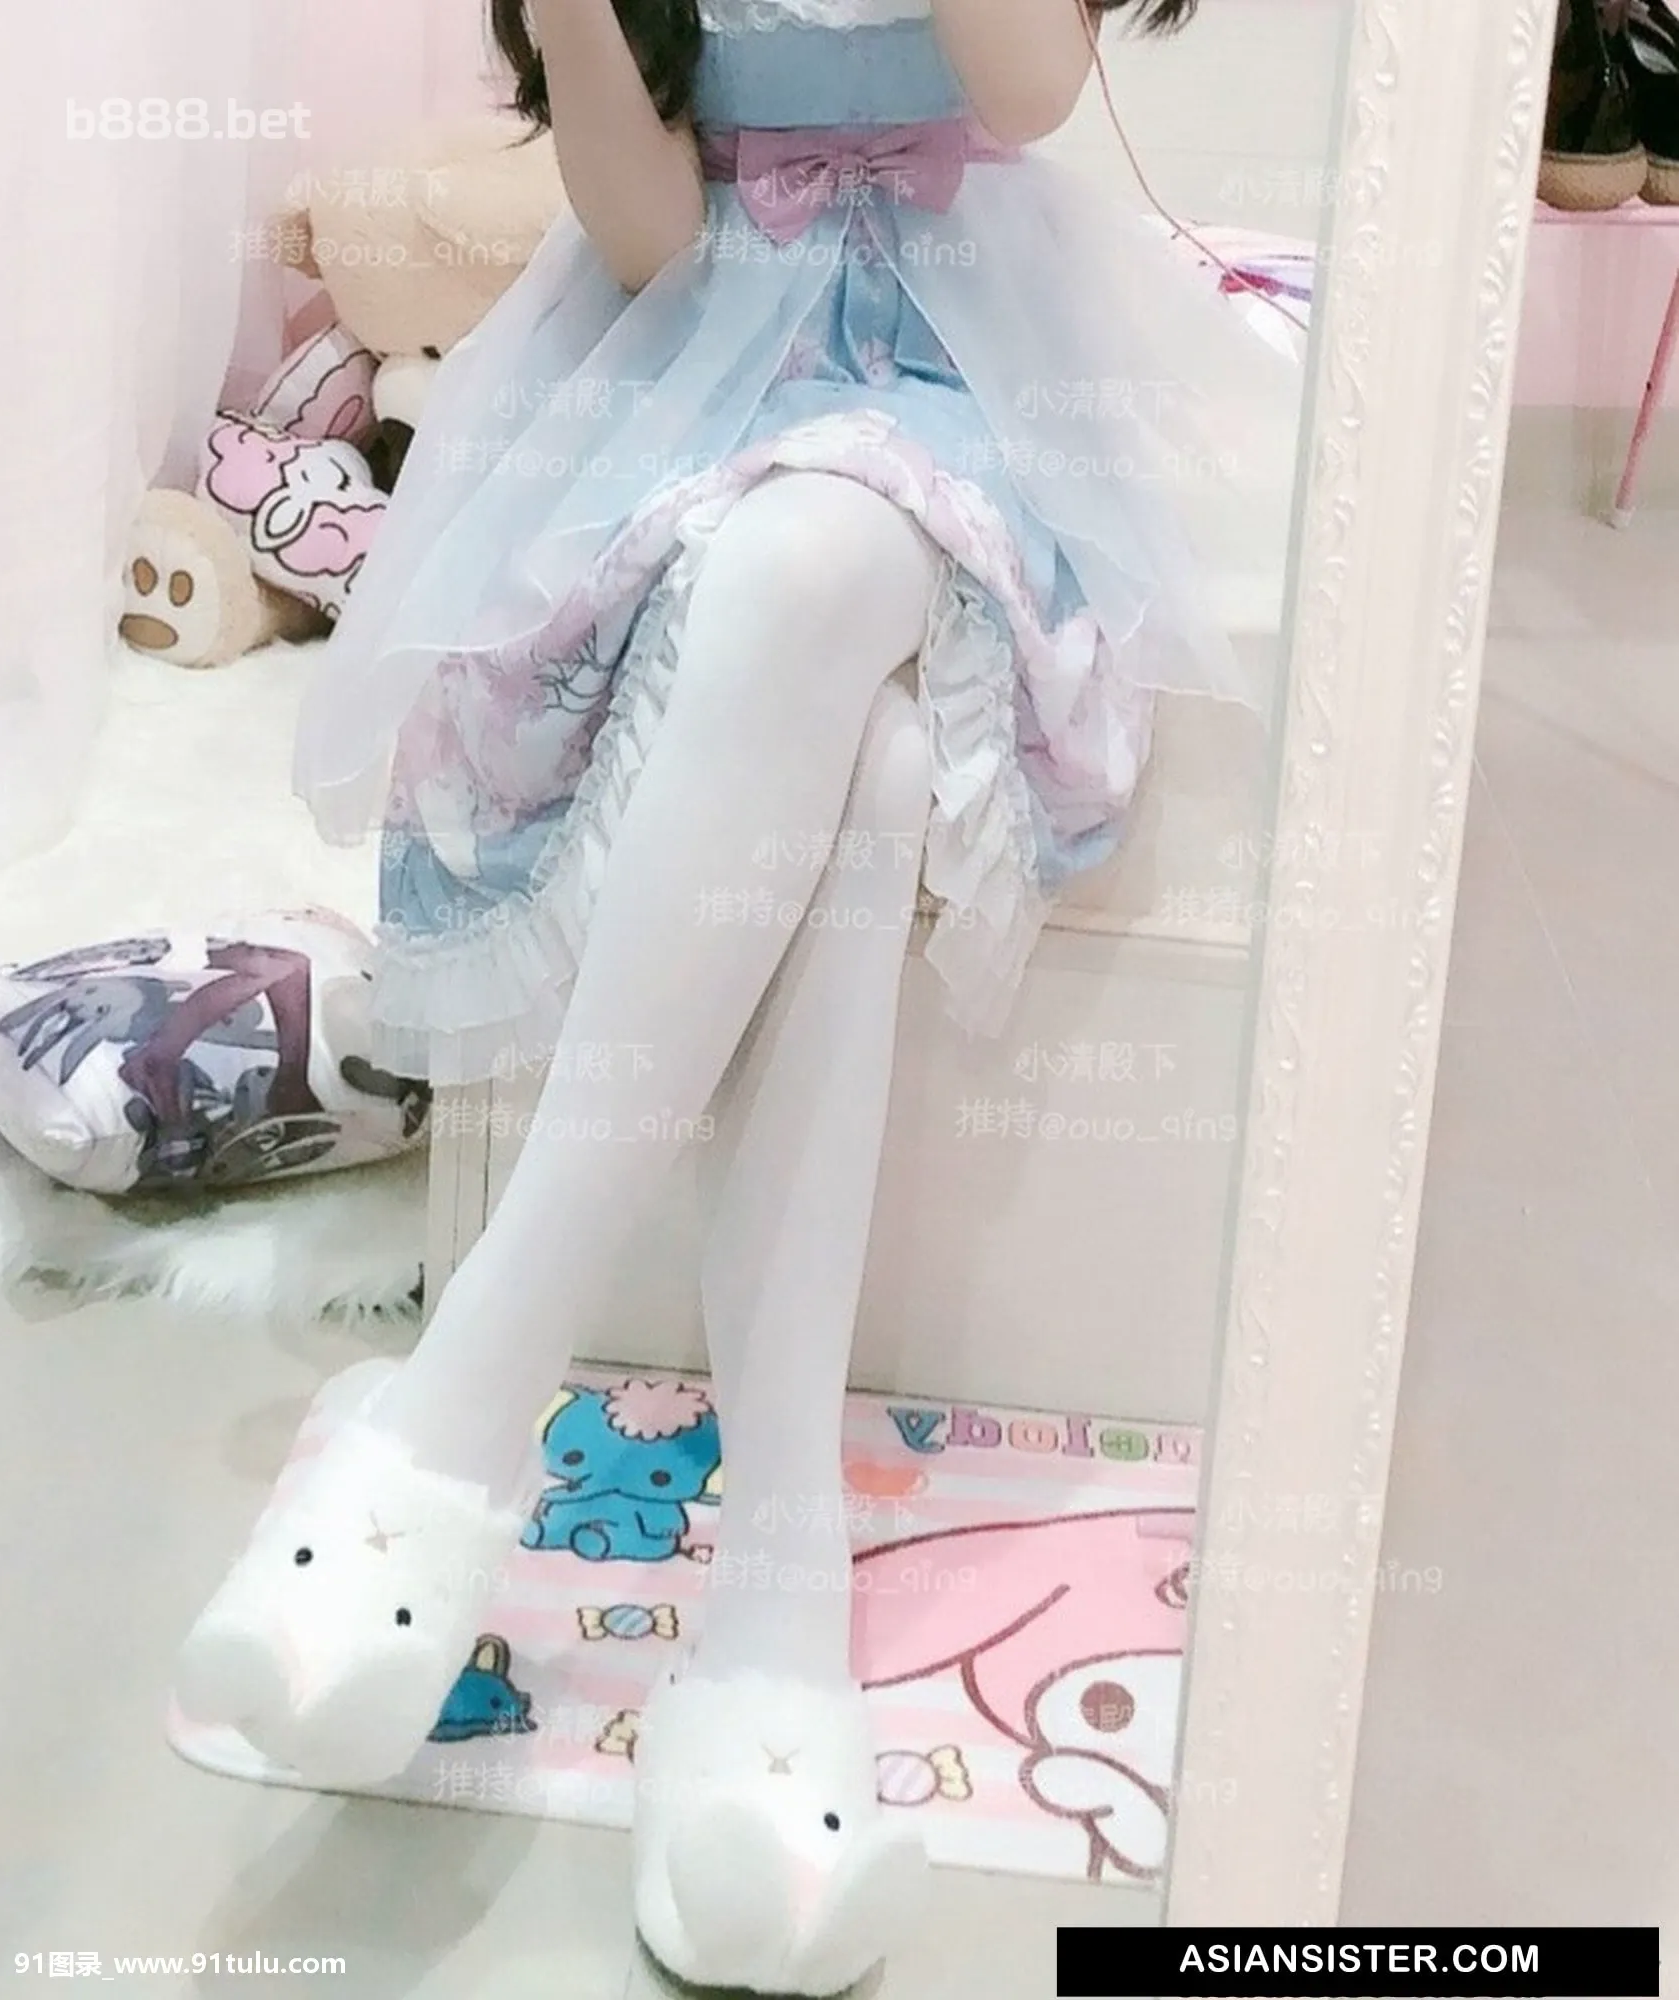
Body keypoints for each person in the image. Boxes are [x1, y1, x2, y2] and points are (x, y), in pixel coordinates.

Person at [178, 0, 1297, 1988]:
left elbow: (1030, 89)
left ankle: (459, 1412)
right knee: (862, 760)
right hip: (690, 366)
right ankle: (776, 1614)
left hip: (959, 360)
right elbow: (644, 239)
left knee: (801, 576)